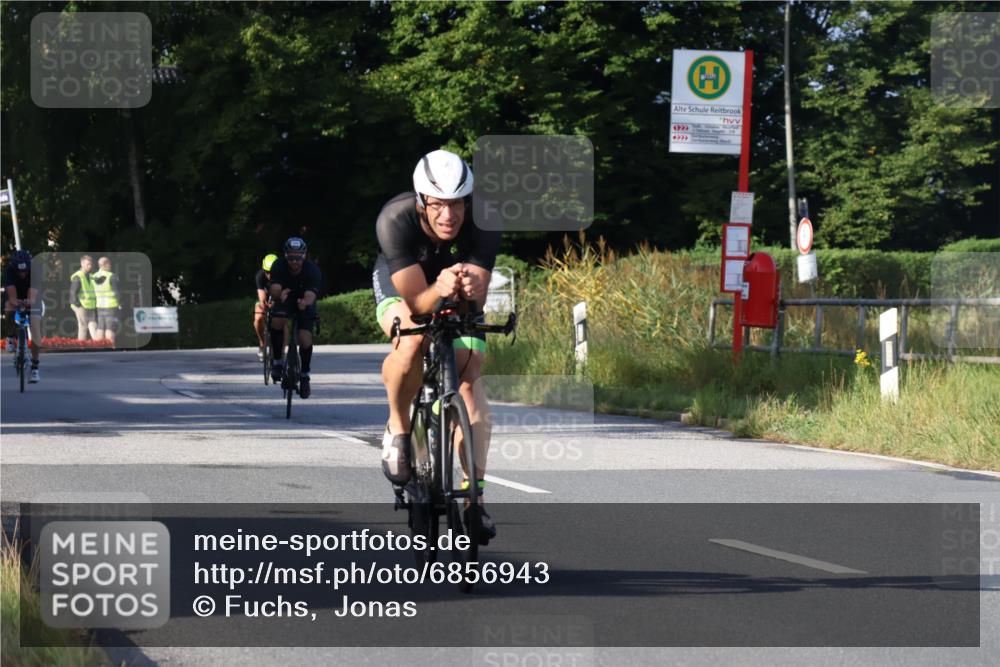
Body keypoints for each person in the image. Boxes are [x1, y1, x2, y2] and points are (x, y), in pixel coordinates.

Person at [373, 149, 501, 542]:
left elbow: (475, 299)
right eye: (438, 204)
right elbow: (416, 303)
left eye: (458, 204)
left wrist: (471, 288)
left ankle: (474, 498)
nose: (449, 215)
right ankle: (399, 426)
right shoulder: (394, 220)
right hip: (404, 282)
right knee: (411, 340)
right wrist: (440, 286)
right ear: (421, 201)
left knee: (470, 373)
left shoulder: (485, 218)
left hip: (454, 285)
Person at [268, 238, 320, 399]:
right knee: (277, 321)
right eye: (291, 258)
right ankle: (277, 361)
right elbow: (274, 288)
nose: (295, 262)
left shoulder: (312, 270)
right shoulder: (278, 265)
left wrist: (305, 303)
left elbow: (311, 294)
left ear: (304, 256)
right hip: (284, 299)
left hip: (304, 302)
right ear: (285, 256)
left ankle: (305, 376)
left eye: (298, 258)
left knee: (304, 338)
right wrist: (278, 295)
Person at [4, 250, 42, 382]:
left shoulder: (35, 270)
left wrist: (28, 302)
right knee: (9, 308)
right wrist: (17, 303)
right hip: (15, 295)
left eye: (25, 271)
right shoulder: (9, 270)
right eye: (19, 272)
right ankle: (10, 336)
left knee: (35, 328)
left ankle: (35, 367)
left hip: (32, 296)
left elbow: (32, 295)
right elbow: (12, 296)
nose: (22, 274)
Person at [92, 256, 122, 348]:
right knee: (110, 328)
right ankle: (111, 348)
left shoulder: (94, 276)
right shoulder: (111, 276)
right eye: (109, 264)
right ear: (107, 264)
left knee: (100, 327)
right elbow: (117, 292)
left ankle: (98, 348)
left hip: (99, 305)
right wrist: (120, 303)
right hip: (111, 305)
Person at [254, 253, 278, 362]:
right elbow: (262, 299)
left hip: (278, 299)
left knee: (281, 321)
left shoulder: (283, 276)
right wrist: (264, 305)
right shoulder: (260, 276)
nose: (269, 275)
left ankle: (280, 351)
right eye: (267, 272)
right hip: (265, 297)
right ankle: (262, 343)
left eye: (272, 272)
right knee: (258, 318)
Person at [69, 255, 97, 341]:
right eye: (88, 264)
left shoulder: (91, 276)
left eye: (91, 264)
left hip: (90, 305)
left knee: (93, 325)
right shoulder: (78, 277)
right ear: (82, 264)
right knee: (83, 326)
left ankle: (99, 344)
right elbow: (73, 293)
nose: (90, 266)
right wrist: (78, 305)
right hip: (80, 305)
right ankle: (81, 346)